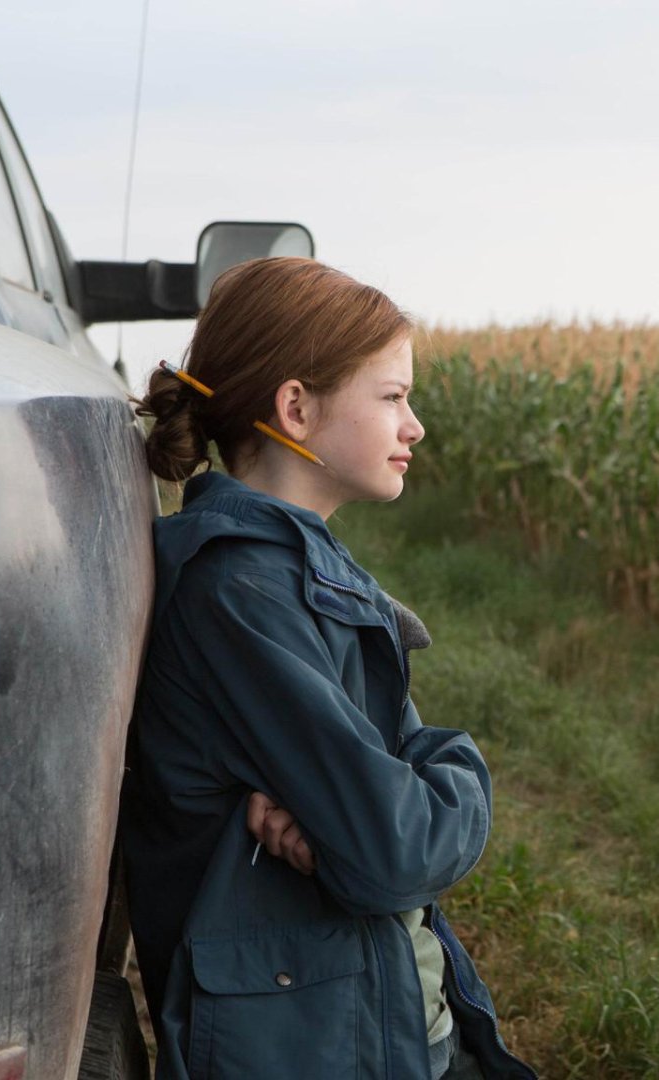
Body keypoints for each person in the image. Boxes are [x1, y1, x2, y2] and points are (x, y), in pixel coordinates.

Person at [122, 257, 534, 1080]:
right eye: (392, 397)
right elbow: (398, 847)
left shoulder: (287, 575)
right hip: (320, 1046)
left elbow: (390, 821)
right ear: (296, 408)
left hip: (366, 1019)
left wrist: (390, 802)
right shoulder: (243, 595)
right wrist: (455, 772)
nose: (413, 425)